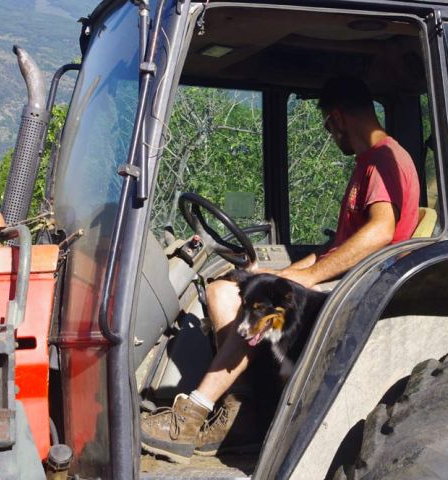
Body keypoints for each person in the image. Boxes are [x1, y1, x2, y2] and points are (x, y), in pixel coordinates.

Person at [141, 76, 421, 464]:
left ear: (338, 118)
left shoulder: (384, 160)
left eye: (327, 126)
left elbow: (380, 232)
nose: (331, 135)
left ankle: (193, 416)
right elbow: (337, 246)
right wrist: (289, 270)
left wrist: (306, 278)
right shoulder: (368, 163)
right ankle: (243, 411)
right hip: (342, 274)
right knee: (226, 289)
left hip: (360, 287)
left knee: (245, 301)